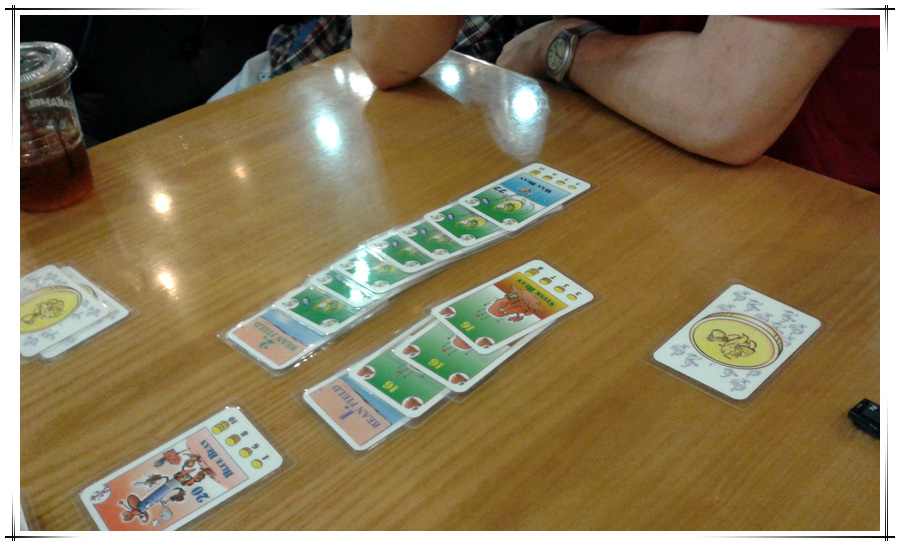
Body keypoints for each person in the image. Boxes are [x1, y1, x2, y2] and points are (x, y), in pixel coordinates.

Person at [351, 15, 880, 192]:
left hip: (812, 204)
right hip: (613, 151)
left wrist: (558, 46)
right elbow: (387, 57)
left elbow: (721, 108)